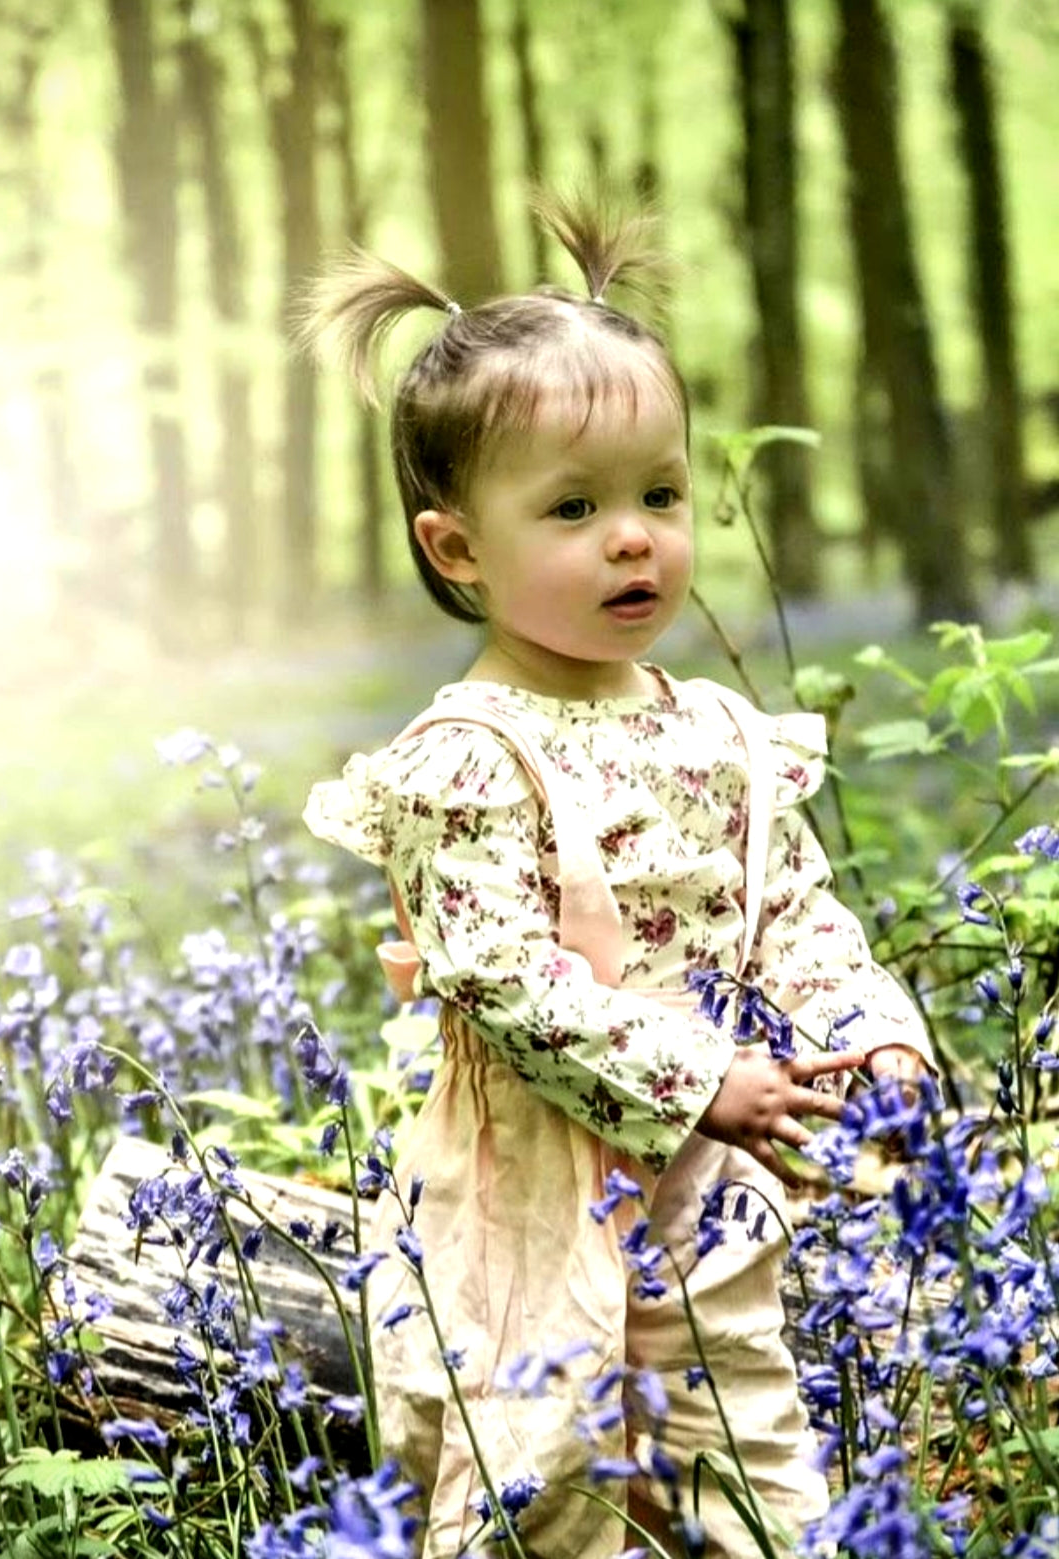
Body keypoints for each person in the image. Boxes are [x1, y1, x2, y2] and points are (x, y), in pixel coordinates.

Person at [302, 197, 932, 1559]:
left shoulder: (712, 731)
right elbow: (499, 979)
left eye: (659, 493)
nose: (635, 537)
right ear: (456, 550)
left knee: (749, 1452)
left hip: (711, 1180)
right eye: (575, 508)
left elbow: (790, 911)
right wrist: (696, 1072)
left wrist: (868, 1028)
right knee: (544, 1465)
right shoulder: (467, 759)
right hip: (537, 1187)